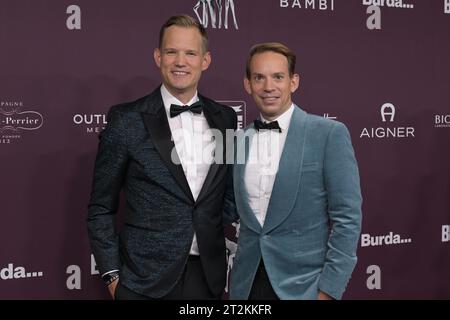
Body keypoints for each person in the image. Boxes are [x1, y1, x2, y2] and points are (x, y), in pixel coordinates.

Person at [87, 14, 237, 300]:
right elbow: (100, 208)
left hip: (207, 278)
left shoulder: (226, 118)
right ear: (158, 57)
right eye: (171, 52)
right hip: (142, 281)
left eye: (190, 53)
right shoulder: (126, 119)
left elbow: (227, 190)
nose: (181, 62)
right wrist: (112, 277)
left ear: (205, 60)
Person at [228, 42, 362, 300]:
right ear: (248, 84)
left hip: (305, 288)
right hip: (247, 286)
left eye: (278, 77)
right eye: (259, 78)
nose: (269, 87)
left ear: (294, 82)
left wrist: (329, 291)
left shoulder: (328, 134)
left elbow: (348, 219)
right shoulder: (238, 140)